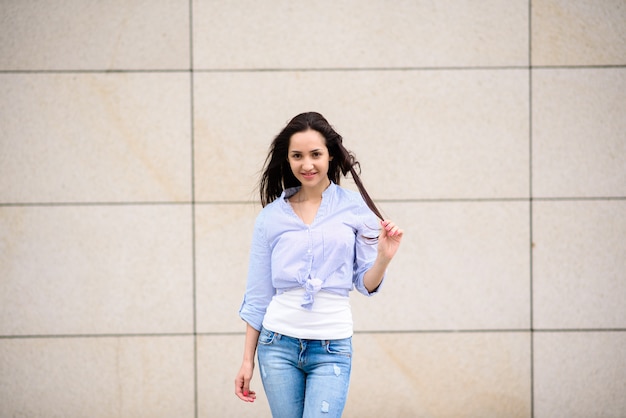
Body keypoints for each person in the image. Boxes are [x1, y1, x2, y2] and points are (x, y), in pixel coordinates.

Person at [234, 111, 403, 417]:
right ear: (287, 160)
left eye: (315, 154)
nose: (307, 164)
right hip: (277, 345)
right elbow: (258, 294)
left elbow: (366, 284)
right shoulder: (270, 217)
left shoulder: (356, 209)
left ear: (330, 156)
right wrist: (247, 360)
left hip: (332, 347)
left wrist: (383, 258)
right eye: (297, 155)